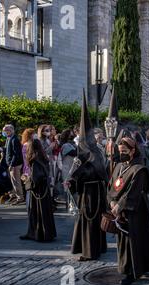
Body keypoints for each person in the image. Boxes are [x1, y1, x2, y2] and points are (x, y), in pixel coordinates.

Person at [107, 137, 149, 285]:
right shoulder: (118, 166)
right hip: (119, 209)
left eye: (124, 151)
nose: (121, 153)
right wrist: (111, 201)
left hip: (136, 210)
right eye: (119, 151)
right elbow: (111, 185)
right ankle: (126, 268)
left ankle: (134, 271)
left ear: (132, 151)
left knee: (135, 240)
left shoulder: (139, 169)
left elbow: (134, 191)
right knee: (123, 241)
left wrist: (120, 206)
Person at [67, 91, 107, 261]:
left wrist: (74, 179)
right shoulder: (92, 150)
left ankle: (91, 251)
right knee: (91, 219)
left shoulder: (90, 152)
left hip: (91, 191)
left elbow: (92, 171)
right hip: (93, 189)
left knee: (90, 219)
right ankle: (97, 246)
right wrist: (72, 179)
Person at [20, 139, 56, 242]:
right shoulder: (43, 157)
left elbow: (35, 179)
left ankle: (38, 234)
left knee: (36, 212)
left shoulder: (34, 160)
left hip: (38, 191)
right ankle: (47, 233)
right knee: (45, 212)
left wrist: (26, 179)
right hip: (44, 189)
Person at [2, 124, 25, 205]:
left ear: (11, 130)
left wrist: (12, 164)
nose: (4, 132)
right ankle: (15, 196)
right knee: (13, 181)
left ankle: (20, 198)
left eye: (5, 130)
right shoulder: (9, 138)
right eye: (4, 130)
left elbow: (17, 154)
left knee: (16, 181)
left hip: (15, 164)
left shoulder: (14, 139)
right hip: (11, 164)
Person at [21, 128, 35, 209]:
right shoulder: (28, 145)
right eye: (33, 133)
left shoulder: (24, 144)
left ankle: (29, 205)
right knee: (30, 187)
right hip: (29, 168)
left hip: (26, 168)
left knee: (28, 187)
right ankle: (29, 206)